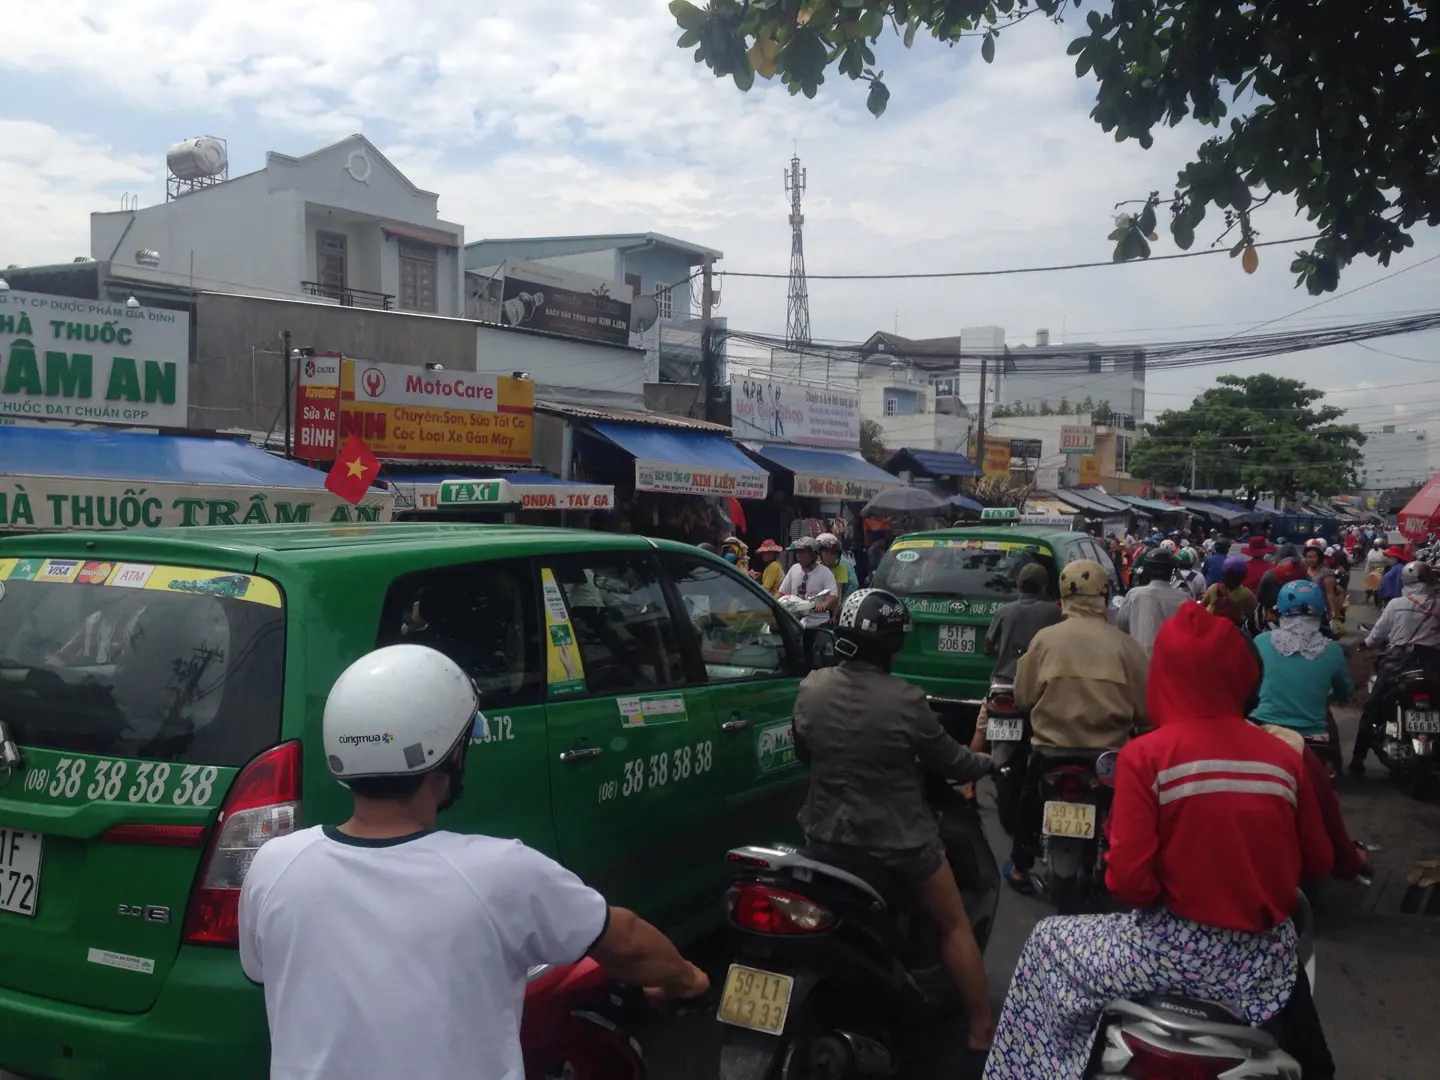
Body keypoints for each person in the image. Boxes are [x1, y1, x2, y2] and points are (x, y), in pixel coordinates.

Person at [238, 645, 708, 1080]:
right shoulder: (500, 872)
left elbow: (270, 977)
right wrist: (685, 979)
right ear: (453, 752)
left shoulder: (274, 866)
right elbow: (622, 938)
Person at [984, 603, 1335, 1080]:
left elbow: (1130, 883)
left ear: (1165, 676)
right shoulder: (1284, 758)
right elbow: (1318, 862)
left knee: (1048, 941)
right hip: (1260, 963)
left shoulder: (1147, 755)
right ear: (1243, 676)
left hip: (1166, 953)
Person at [792, 589, 996, 1053]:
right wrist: (985, 764)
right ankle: (982, 1028)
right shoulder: (906, 699)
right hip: (899, 842)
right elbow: (950, 762)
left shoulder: (812, 686)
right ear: (894, 645)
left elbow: (806, 752)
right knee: (953, 925)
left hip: (822, 835)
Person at [1007, 561, 1148, 893]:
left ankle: (1020, 868)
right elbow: (1145, 709)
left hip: (1052, 750)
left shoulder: (1044, 640)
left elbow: (1023, 697)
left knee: (1029, 801)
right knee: (1128, 810)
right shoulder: (1125, 646)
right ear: (1104, 595)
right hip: (1108, 757)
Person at [1352, 560, 1440, 774]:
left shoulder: (1396, 604)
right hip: (1433, 664)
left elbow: (1377, 636)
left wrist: (1366, 644)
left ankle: (1358, 759)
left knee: (1373, 707)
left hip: (1399, 663)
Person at [970, 564, 1064, 756]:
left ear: (1019, 585)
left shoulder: (1005, 611)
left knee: (981, 731)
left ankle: (970, 785)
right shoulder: (1054, 613)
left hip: (1002, 686)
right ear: (1043, 586)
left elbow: (989, 645)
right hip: (1039, 688)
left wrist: (1005, 656)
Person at [1251, 580, 1353, 743]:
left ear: (1281, 610)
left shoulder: (1261, 641)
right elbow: (1345, 692)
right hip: (1314, 737)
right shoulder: (1332, 650)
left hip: (1264, 731)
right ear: (1320, 611)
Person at [1117, 548, 1187, 656]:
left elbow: (1122, 624)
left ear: (1147, 569)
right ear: (1172, 571)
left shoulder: (1134, 595)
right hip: (1171, 663)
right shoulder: (1184, 598)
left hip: (1139, 661)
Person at [778, 536, 839, 616]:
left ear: (813, 554)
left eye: (803, 552)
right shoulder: (794, 569)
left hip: (816, 621)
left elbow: (833, 595)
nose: (798, 555)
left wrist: (824, 605)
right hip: (795, 620)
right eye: (797, 552)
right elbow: (782, 593)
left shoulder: (825, 572)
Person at [1203, 554, 1258, 628]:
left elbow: (1202, 606)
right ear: (1243, 576)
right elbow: (1254, 615)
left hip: (1214, 628)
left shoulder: (1214, 588)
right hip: (1234, 631)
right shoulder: (1247, 594)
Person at [815, 532, 853, 602]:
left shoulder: (841, 568)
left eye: (833, 553)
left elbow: (837, 592)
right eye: (826, 553)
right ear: (820, 554)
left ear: (838, 555)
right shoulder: (816, 567)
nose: (829, 556)